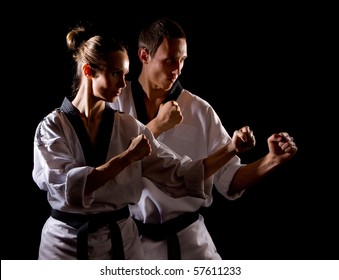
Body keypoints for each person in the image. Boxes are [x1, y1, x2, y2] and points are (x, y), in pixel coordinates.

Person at [32, 24, 256, 260]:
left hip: (121, 243)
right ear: (88, 71)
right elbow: (67, 186)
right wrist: (128, 157)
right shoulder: (51, 127)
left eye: (125, 75)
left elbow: (178, 174)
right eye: (116, 74)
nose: (122, 84)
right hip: (64, 243)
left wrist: (231, 148)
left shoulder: (128, 126)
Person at [110, 17, 298, 260]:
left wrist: (272, 160)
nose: (177, 69)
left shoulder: (199, 110)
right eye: (169, 60)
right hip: (132, 244)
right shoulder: (115, 101)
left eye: (182, 60)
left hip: (190, 244)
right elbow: (101, 167)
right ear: (144, 56)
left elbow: (228, 180)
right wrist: (157, 125)